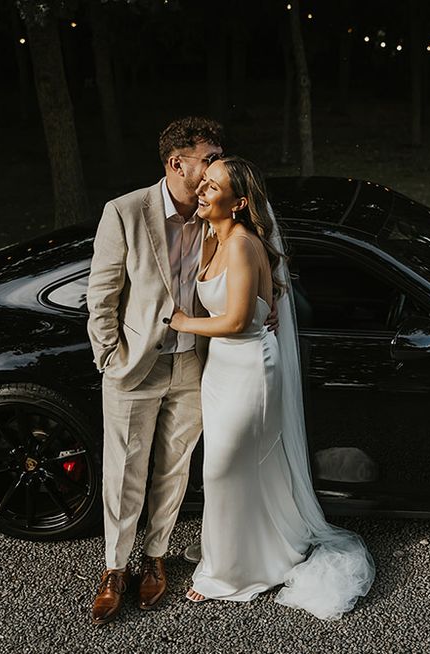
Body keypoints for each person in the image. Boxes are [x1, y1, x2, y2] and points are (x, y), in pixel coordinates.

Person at [86, 117, 276, 626]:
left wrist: (268, 296)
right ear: (177, 163)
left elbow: (254, 250)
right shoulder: (125, 212)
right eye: (208, 157)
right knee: (124, 471)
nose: (215, 166)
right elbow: (101, 296)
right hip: (135, 367)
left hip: (194, 365)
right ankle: (114, 569)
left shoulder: (216, 212)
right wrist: (111, 357)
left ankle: (156, 558)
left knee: (173, 469)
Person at [169, 157, 375, 620]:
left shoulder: (242, 245)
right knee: (237, 471)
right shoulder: (212, 238)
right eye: (203, 183)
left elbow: (240, 320)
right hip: (221, 370)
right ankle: (240, 554)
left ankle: (229, 573)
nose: (201, 191)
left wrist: (183, 322)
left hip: (249, 372)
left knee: (222, 470)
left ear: (239, 203)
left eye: (213, 187)